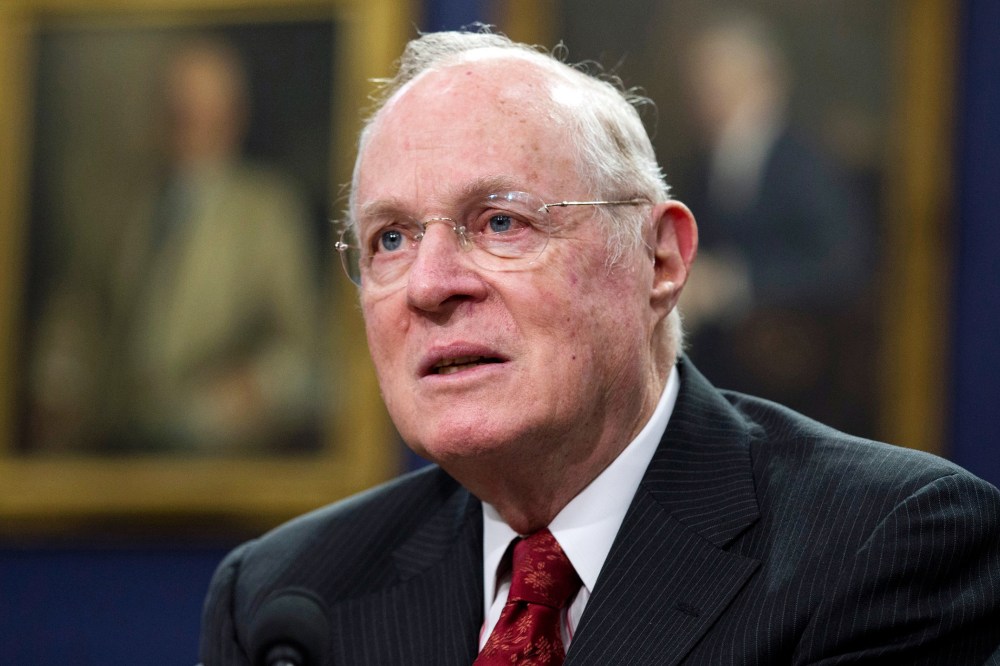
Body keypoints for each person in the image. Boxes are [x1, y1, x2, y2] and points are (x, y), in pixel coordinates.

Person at [199, 29, 1000, 664]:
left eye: (501, 222)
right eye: (390, 239)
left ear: (659, 260)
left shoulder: (884, 548)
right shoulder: (282, 599)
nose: (429, 285)